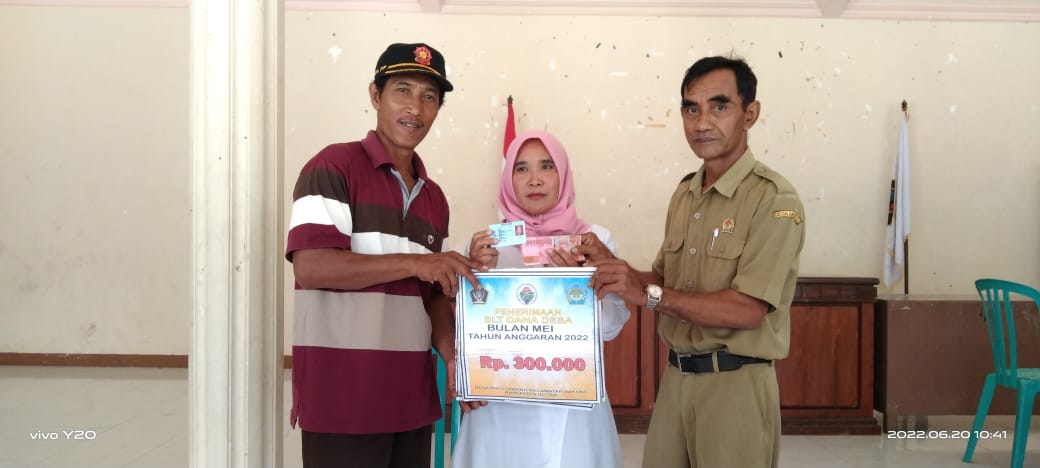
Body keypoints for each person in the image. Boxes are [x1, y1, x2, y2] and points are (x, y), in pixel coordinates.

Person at [589, 56, 806, 468]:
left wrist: (648, 295)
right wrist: (613, 267)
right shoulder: (686, 193)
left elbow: (747, 310)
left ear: (750, 113)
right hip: (677, 379)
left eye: (719, 106)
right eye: (691, 109)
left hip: (736, 386)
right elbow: (662, 280)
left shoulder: (774, 199)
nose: (702, 122)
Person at [284, 42, 484, 468]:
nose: (415, 107)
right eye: (403, 90)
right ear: (376, 95)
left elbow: (431, 295)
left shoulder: (434, 198)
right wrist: (418, 263)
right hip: (343, 401)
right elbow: (312, 265)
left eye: (430, 97)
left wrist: (452, 356)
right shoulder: (332, 167)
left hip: (412, 400)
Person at [450, 130, 629, 468]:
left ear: (563, 174)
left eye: (546, 166)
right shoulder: (486, 246)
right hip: (498, 410)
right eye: (521, 168)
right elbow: (465, 331)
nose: (534, 179)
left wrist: (579, 285)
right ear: (508, 179)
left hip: (572, 412)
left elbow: (610, 327)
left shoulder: (594, 241)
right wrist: (475, 273)